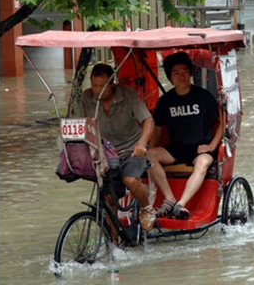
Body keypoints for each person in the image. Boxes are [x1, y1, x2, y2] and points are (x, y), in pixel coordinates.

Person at [145, 52, 223, 222]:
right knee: (150, 156)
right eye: (176, 73)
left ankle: (181, 204)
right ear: (170, 77)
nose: (182, 76)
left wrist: (211, 146)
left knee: (202, 163)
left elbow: (223, 123)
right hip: (177, 148)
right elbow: (157, 129)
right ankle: (169, 198)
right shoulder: (165, 101)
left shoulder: (203, 97)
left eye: (185, 71)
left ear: (190, 73)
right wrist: (150, 147)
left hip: (201, 148)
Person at [80, 63, 155, 231]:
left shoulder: (127, 94)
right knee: (108, 198)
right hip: (105, 152)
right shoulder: (86, 97)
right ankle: (114, 244)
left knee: (129, 179)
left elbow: (148, 120)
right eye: (94, 86)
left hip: (131, 148)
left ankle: (146, 207)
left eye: (102, 86)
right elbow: (81, 126)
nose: (97, 91)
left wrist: (142, 143)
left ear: (112, 85)